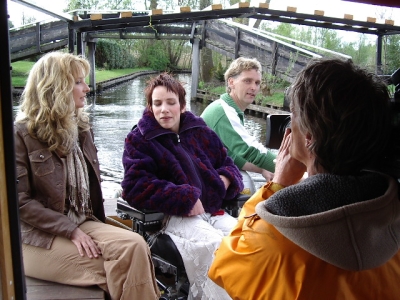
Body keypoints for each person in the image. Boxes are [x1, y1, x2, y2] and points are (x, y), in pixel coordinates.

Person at [207, 58, 400, 299]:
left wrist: (276, 187)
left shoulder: (273, 243)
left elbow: (224, 264)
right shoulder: (393, 227)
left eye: (293, 116)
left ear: (308, 137)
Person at [14, 51, 160, 300]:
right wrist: (70, 230)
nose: (88, 88)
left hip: (81, 220)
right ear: (56, 87)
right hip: (35, 238)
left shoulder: (80, 128)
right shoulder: (19, 134)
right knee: (126, 269)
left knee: (135, 244)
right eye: (79, 81)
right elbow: (20, 202)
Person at [121, 73, 244, 299]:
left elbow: (228, 164)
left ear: (182, 105)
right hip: (173, 218)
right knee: (214, 244)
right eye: (157, 104)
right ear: (150, 107)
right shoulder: (140, 140)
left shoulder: (201, 132)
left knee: (246, 239)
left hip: (214, 211)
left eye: (170, 103)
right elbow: (134, 186)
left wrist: (225, 179)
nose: (164, 109)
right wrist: (183, 198)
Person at [201, 57, 277, 182]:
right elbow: (251, 150)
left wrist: (262, 169)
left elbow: (232, 156)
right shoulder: (223, 111)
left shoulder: (231, 110)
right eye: (247, 81)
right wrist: (292, 167)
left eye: (257, 83)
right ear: (231, 82)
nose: (254, 87)